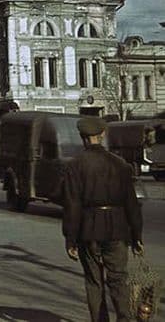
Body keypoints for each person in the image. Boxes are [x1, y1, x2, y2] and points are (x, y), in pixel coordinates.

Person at [62, 116, 143, 322]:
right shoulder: (121, 165)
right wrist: (137, 235)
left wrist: (70, 238)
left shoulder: (75, 166)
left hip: (88, 230)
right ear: (102, 135)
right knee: (118, 279)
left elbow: (72, 205)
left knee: (93, 281)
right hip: (117, 229)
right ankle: (124, 319)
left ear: (83, 138)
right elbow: (131, 204)